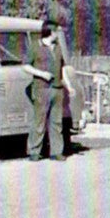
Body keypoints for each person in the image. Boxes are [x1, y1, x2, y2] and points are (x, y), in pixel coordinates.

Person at [24, 19, 68, 161]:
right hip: (41, 88)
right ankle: (34, 151)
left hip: (57, 88)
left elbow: (62, 69)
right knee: (39, 121)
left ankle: (56, 151)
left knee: (56, 122)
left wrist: (69, 86)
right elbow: (26, 66)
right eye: (57, 31)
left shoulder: (58, 48)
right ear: (51, 32)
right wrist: (42, 74)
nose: (58, 34)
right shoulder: (35, 46)